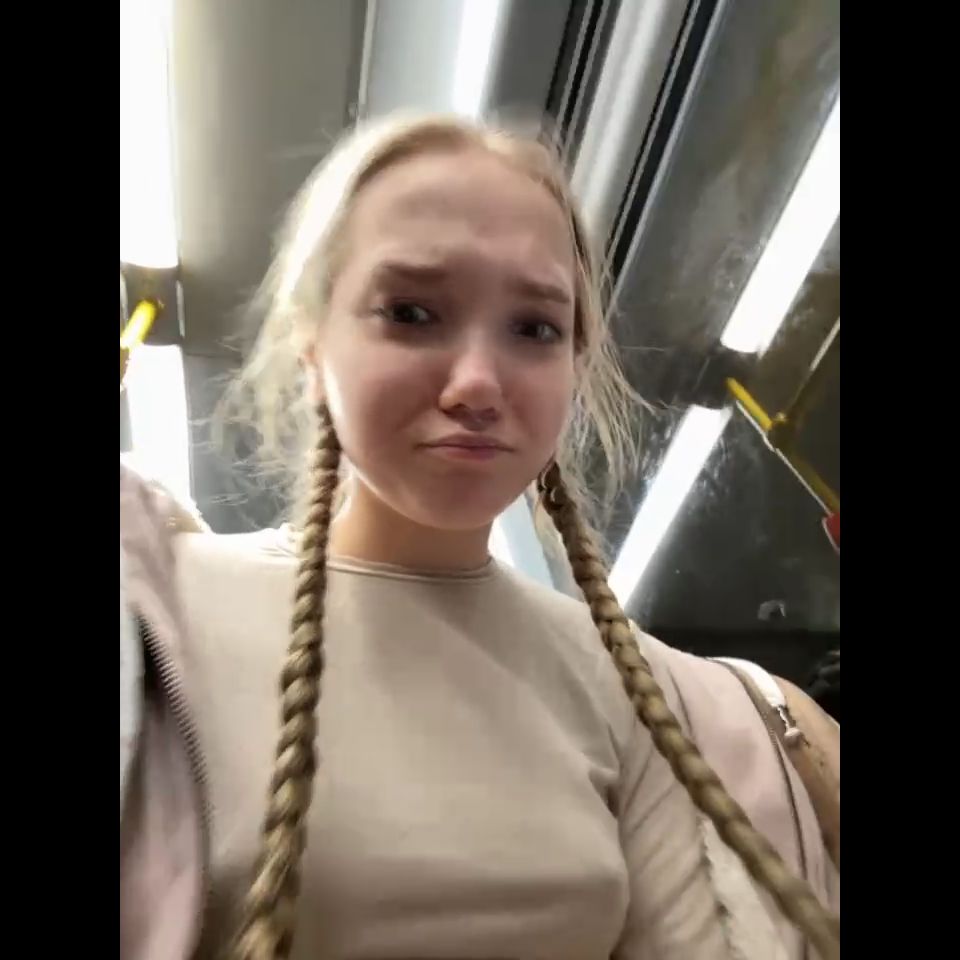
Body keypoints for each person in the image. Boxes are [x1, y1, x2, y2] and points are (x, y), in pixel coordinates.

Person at [120, 113, 840, 960]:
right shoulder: (157, 611)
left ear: (574, 364)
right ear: (312, 346)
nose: (476, 385)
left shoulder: (657, 697)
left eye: (534, 329)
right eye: (411, 313)